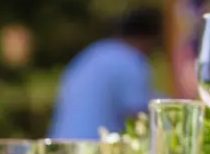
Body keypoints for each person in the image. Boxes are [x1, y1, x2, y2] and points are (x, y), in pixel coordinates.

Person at [49, 8, 162, 140]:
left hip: (62, 150)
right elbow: (141, 120)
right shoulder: (130, 60)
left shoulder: (93, 53)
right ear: (148, 39)